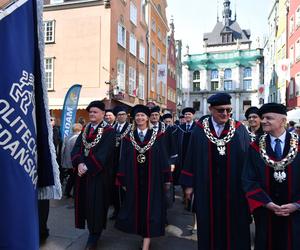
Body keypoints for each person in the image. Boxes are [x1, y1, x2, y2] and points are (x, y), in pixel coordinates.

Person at [180, 93, 251, 250]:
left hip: (234, 189)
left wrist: (248, 187)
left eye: (228, 110)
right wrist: (189, 185)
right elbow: (191, 156)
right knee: (208, 224)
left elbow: (247, 160)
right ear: (211, 109)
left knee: (235, 226)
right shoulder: (199, 130)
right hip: (207, 188)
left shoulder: (239, 129)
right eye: (220, 110)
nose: (225, 114)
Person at [242, 103, 300, 250]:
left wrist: (296, 205)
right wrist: (267, 203)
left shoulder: (298, 145)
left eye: (269, 118)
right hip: (265, 213)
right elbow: (249, 179)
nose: (263, 121)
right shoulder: (255, 147)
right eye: (263, 118)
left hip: (295, 215)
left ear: (283, 120)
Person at [115, 104, 172, 250]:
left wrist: (167, 179)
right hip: (134, 180)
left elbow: (163, 157)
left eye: (143, 115)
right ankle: (143, 235)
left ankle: (146, 242)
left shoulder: (158, 136)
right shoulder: (128, 138)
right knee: (137, 209)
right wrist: (122, 179)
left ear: (147, 118)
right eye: (137, 115)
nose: (140, 118)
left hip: (153, 180)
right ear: (134, 118)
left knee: (151, 209)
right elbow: (123, 159)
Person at [71, 100, 116, 250]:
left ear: (103, 114)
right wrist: (79, 163)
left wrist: (87, 166)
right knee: (85, 204)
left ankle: (94, 236)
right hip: (83, 174)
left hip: (98, 176)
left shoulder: (109, 131)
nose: (92, 114)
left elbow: (104, 154)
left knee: (96, 206)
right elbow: (77, 148)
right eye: (90, 112)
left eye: (95, 112)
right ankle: (91, 230)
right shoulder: (85, 129)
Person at [109, 106, 132, 220]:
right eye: (119, 115)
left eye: (123, 114)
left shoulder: (131, 128)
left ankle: (127, 211)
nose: (121, 116)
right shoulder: (111, 128)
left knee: (125, 188)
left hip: (126, 163)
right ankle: (116, 210)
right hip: (113, 164)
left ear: (127, 116)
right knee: (114, 189)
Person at [61, 123, 83, 197]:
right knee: (76, 178)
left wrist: (63, 161)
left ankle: (68, 192)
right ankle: (73, 193)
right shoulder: (80, 137)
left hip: (68, 162)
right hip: (76, 162)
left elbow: (62, 150)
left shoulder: (67, 137)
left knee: (71, 177)